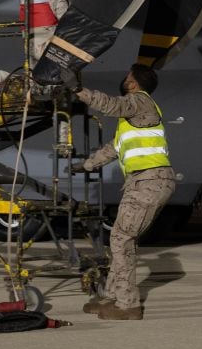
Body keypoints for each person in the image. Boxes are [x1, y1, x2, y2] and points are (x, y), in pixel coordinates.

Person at [71, 64, 176, 320]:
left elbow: (111, 105)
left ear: (133, 84)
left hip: (150, 182)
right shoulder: (132, 120)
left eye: (126, 76)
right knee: (120, 240)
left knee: (121, 239)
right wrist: (86, 165)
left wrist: (78, 90)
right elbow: (114, 148)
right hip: (143, 183)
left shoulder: (139, 102)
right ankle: (110, 297)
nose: (123, 79)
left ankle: (128, 304)